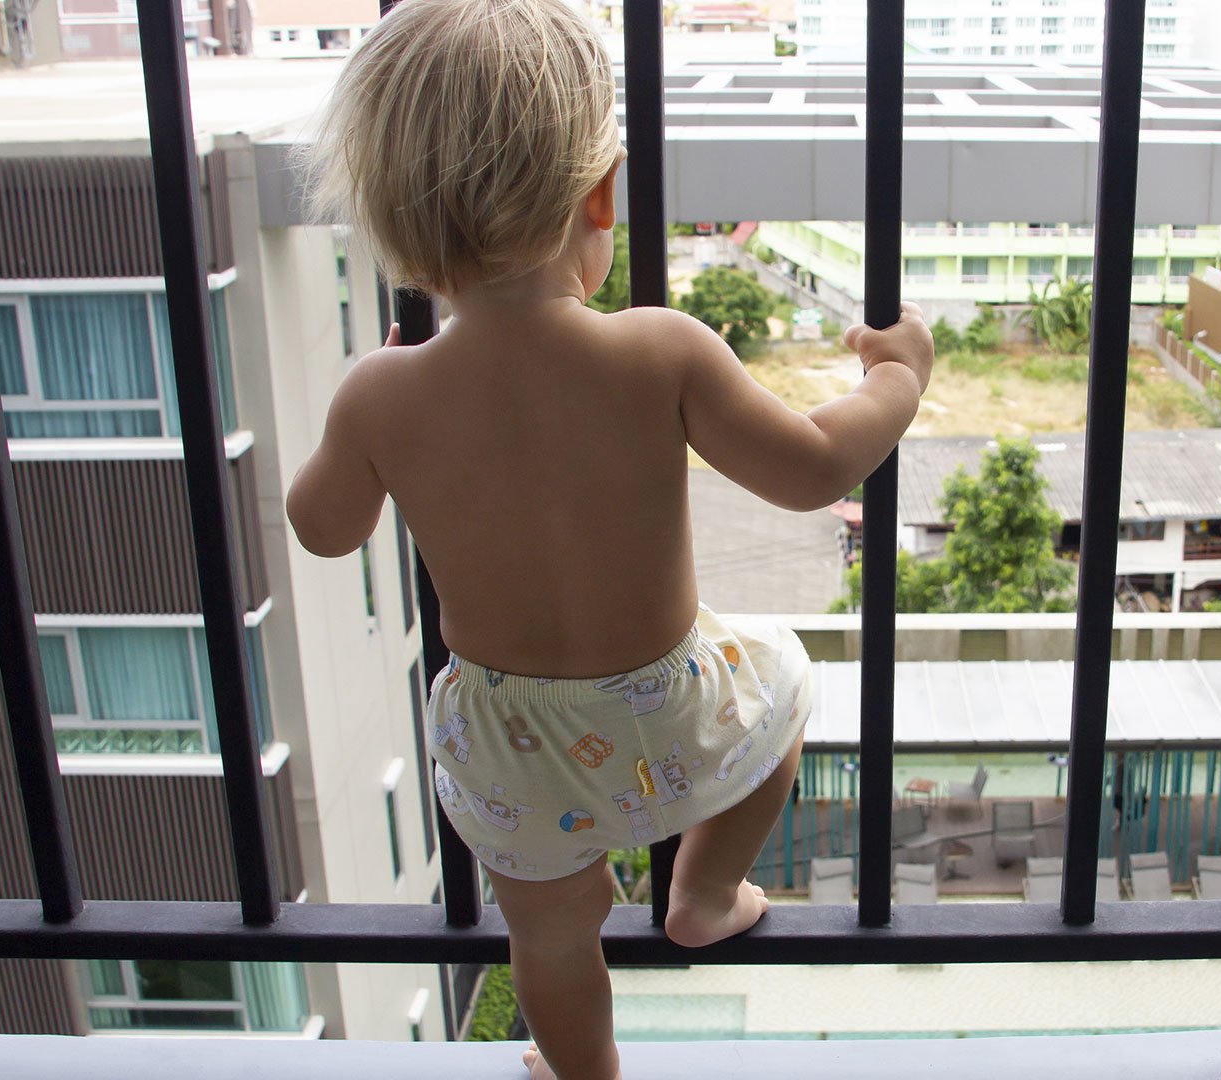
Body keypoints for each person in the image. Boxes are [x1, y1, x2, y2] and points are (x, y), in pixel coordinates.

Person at [287, 1, 933, 1076]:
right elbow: (817, 465)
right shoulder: (658, 351)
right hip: (668, 711)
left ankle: (585, 1074)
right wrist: (897, 377)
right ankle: (706, 891)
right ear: (601, 195)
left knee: (545, 932)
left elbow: (322, 530)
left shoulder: (383, 395)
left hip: (506, 745)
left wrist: (370, 406)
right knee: (783, 689)